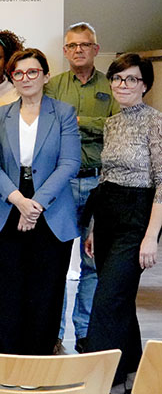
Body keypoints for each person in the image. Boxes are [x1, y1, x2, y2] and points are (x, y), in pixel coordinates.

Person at [0, 48, 81, 355]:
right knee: (7, 291)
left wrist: (34, 205)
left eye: (32, 72)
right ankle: (7, 363)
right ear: (11, 78)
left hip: (52, 209)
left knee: (46, 291)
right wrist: (18, 201)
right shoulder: (0, 115)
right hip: (8, 206)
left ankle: (39, 363)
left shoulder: (63, 112)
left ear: (45, 76)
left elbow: (69, 163)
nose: (25, 78)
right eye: (18, 73)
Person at [86, 53, 159, 394]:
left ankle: (101, 380)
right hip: (108, 212)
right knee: (121, 299)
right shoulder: (112, 122)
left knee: (106, 298)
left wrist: (151, 237)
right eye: (117, 78)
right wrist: (93, 228)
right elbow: (107, 177)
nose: (122, 85)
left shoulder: (155, 122)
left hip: (138, 215)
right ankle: (132, 372)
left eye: (131, 79)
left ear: (145, 84)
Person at [44, 22, 118, 355]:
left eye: (85, 45)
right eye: (72, 45)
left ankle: (86, 333)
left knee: (93, 262)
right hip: (60, 183)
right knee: (55, 262)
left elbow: (116, 128)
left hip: (98, 182)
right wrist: (86, 128)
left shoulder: (112, 85)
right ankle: (54, 334)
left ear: (95, 49)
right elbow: (49, 129)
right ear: (65, 50)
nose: (78, 50)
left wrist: (78, 123)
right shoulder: (54, 86)